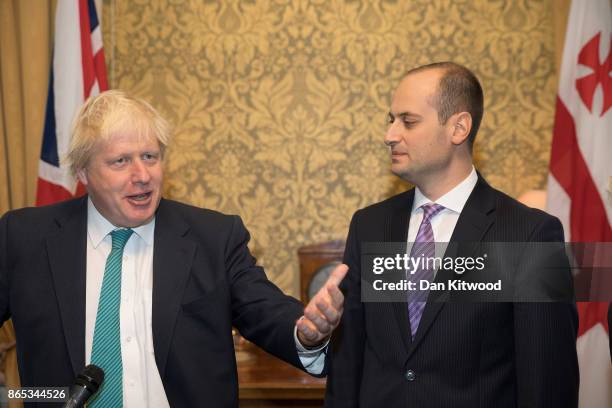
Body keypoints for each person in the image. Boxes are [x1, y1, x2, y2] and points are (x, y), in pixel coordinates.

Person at [0, 90, 346, 407]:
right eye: (121, 161)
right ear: (83, 171)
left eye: (150, 156)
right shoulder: (26, 238)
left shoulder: (213, 237)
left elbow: (265, 310)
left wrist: (305, 333)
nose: (142, 175)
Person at [324, 62, 579, 407]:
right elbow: (348, 363)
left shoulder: (529, 235)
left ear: (458, 127)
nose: (390, 135)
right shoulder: (369, 226)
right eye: (391, 120)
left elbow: (547, 383)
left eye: (408, 121)